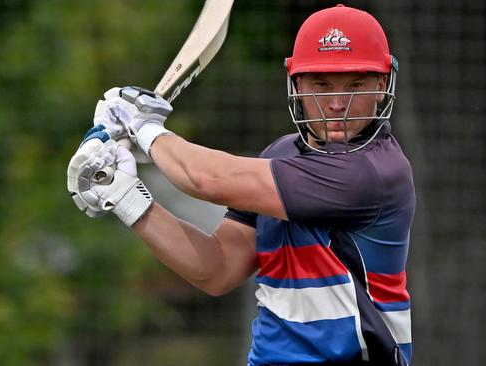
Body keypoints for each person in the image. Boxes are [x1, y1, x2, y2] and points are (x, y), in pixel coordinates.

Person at [67, 4, 415, 366]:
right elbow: (217, 269)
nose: (337, 103)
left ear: (381, 85)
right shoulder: (281, 156)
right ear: (296, 83)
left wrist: (144, 128)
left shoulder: (374, 172)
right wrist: (127, 198)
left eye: (356, 84)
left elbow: (206, 179)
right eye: (321, 84)